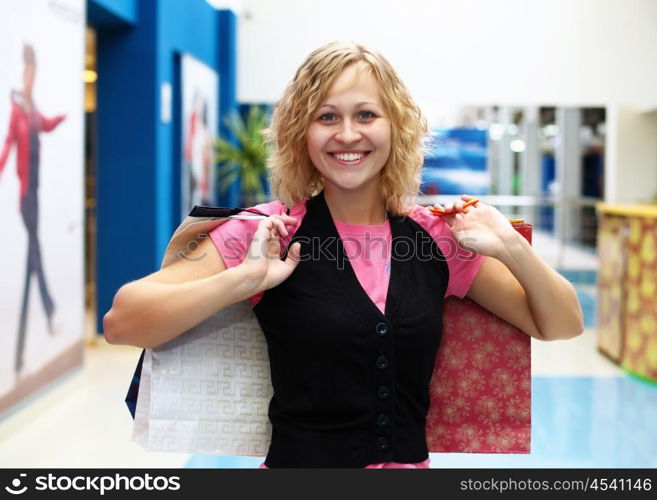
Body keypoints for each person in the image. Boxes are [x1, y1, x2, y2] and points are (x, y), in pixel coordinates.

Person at [103, 41, 583, 468]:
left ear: (396, 128)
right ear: (301, 132)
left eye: (366, 115)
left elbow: (561, 325)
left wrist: (511, 247)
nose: (348, 134)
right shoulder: (266, 232)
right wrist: (242, 281)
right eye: (327, 116)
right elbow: (123, 321)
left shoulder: (435, 236)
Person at [0, 43, 66, 375]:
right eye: (28, 70)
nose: (30, 77)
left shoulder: (32, 108)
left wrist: (66, 115)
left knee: (31, 262)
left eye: (34, 71)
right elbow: (10, 144)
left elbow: (47, 124)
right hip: (26, 196)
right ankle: (51, 308)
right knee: (35, 251)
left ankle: (18, 360)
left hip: (36, 193)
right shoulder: (16, 111)